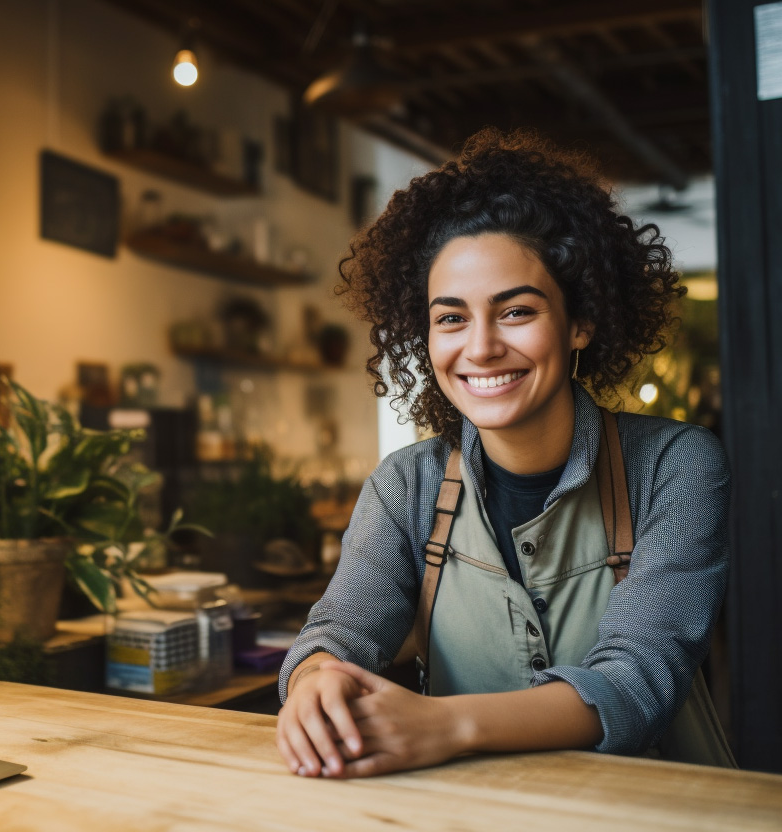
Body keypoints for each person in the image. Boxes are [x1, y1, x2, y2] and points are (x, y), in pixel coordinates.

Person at [275, 129, 729, 779]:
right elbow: (338, 632)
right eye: (452, 318)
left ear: (580, 321)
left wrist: (445, 723)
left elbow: (636, 683)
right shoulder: (404, 486)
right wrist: (316, 679)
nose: (481, 347)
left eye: (515, 311)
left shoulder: (674, 467)